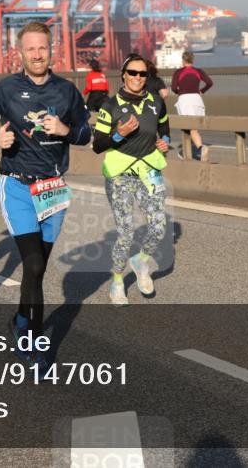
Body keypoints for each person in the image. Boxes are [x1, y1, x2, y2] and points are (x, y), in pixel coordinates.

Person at [0, 22, 91, 370]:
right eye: (30, 49)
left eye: (43, 48)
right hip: (18, 187)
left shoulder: (67, 91)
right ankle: (37, 351)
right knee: (33, 265)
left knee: (36, 272)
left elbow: (86, 134)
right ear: (19, 53)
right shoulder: (5, 90)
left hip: (52, 190)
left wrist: (66, 130)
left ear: (51, 50)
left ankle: (21, 323)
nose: (37, 54)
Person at [92, 53, 170, 306]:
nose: (138, 78)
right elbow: (98, 145)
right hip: (120, 175)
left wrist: (165, 141)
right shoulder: (110, 105)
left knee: (159, 226)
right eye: (133, 73)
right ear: (124, 75)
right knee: (125, 234)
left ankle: (141, 261)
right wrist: (119, 134)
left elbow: (165, 128)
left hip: (149, 169)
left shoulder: (157, 101)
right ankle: (117, 282)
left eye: (142, 74)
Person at [170, 51, 212, 161]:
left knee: (189, 128)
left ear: (183, 60)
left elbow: (174, 87)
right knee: (194, 129)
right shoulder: (198, 71)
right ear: (192, 60)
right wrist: (201, 91)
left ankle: (199, 149)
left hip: (185, 100)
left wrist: (180, 92)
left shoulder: (178, 72)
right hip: (197, 99)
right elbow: (209, 83)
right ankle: (194, 151)